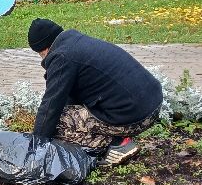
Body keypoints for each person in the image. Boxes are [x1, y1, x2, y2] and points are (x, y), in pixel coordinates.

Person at [27, 18, 163, 165]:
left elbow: (51, 105)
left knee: (59, 125)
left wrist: (36, 147)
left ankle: (117, 143)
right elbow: (69, 96)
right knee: (64, 115)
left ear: (44, 49)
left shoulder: (61, 56)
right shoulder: (76, 42)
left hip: (135, 116)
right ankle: (118, 138)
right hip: (151, 104)